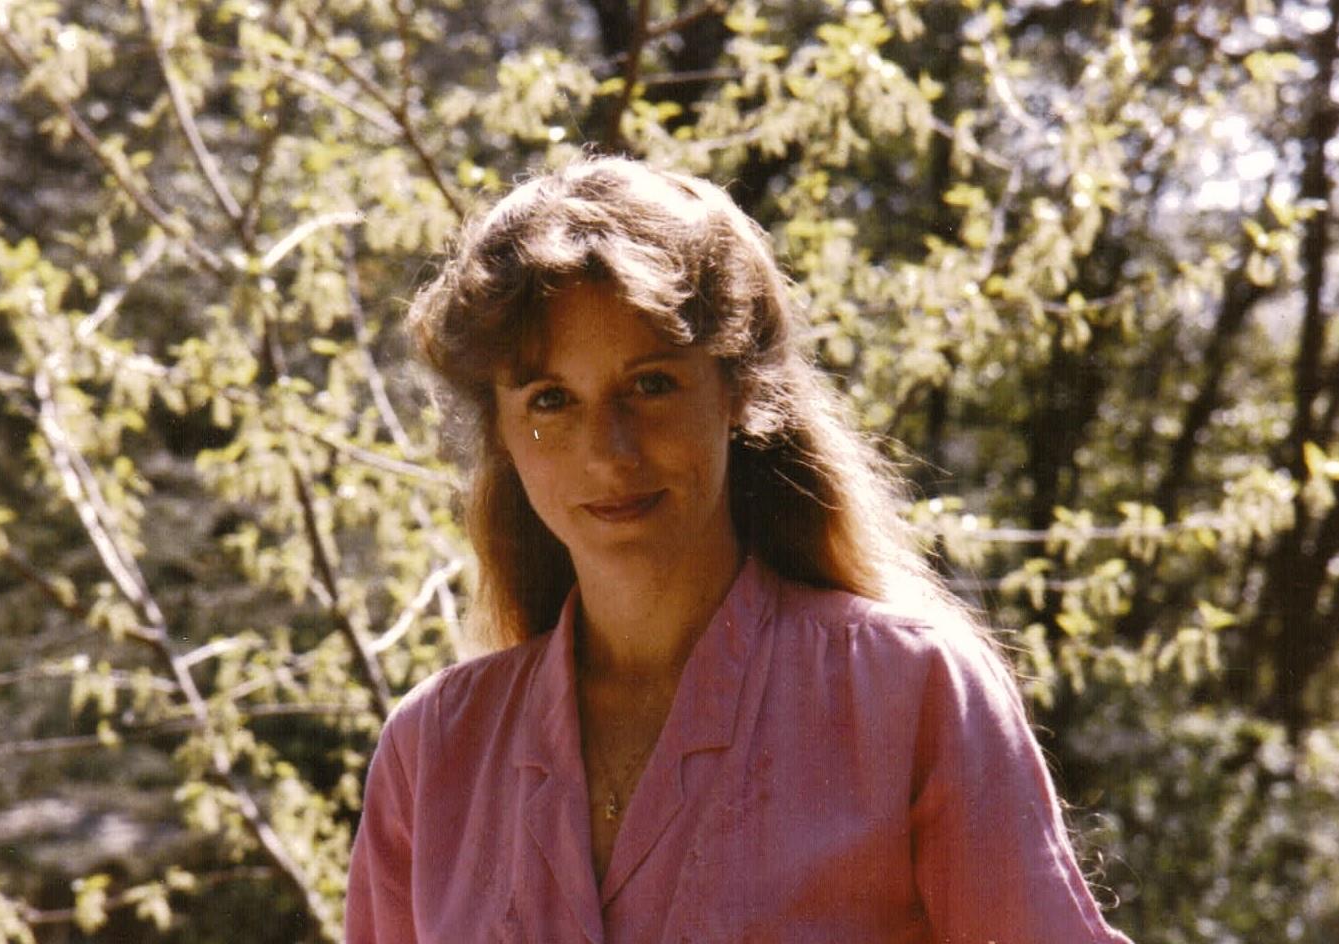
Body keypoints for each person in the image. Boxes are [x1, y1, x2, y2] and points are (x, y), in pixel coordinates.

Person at [345, 157, 1134, 943]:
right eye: (550, 400)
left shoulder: (907, 689)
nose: (609, 452)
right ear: (501, 435)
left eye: (650, 384)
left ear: (736, 389)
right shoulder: (433, 750)